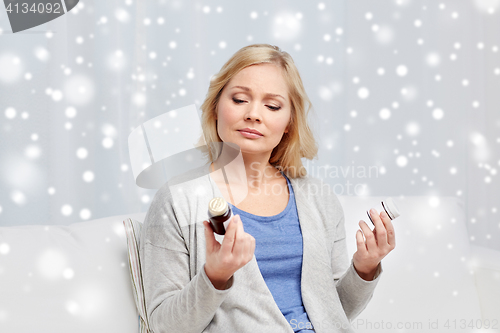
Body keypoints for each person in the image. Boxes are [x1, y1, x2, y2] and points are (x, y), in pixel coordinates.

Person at [139, 44, 396, 333]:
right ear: (215, 107)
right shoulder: (178, 201)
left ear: (289, 123)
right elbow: (164, 326)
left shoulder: (318, 198)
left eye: (272, 106)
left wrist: (364, 268)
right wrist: (215, 276)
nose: (253, 114)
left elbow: (334, 313)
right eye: (239, 99)